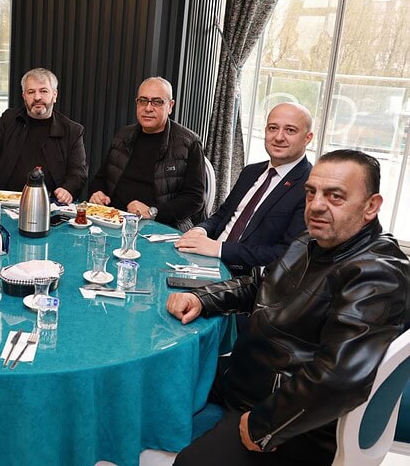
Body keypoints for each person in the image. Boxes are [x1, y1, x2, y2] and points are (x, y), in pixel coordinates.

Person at [167, 149, 410, 466]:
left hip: (295, 423)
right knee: (164, 381)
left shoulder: (378, 273)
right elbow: (259, 283)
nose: (317, 205)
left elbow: (336, 378)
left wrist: (263, 427)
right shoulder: (309, 240)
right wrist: (203, 297)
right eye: (311, 193)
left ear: (371, 206)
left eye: (335, 196)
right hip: (250, 378)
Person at [174, 103, 313, 277]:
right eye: (273, 128)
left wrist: (220, 249)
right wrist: (201, 230)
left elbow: (288, 254)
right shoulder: (251, 171)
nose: (278, 137)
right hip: (204, 261)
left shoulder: (310, 187)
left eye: (290, 130)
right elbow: (222, 215)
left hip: (244, 278)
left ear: (308, 138)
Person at [88, 76, 205, 231]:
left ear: (170, 106)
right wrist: (97, 193)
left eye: (157, 102)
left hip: (161, 227)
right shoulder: (123, 136)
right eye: (143, 101)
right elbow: (101, 178)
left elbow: (195, 199)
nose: (148, 108)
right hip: (113, 221)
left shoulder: (188, 143)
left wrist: (153, 212)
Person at [0, 68, 87, 204]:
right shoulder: (8, 120)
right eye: (31, 92)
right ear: (24, 96)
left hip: (51, 205)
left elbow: (78, 171)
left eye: (43, 91)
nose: (37, 97)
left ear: (55, 95)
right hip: (3, 202)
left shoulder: (72, 130)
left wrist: (68, 189)